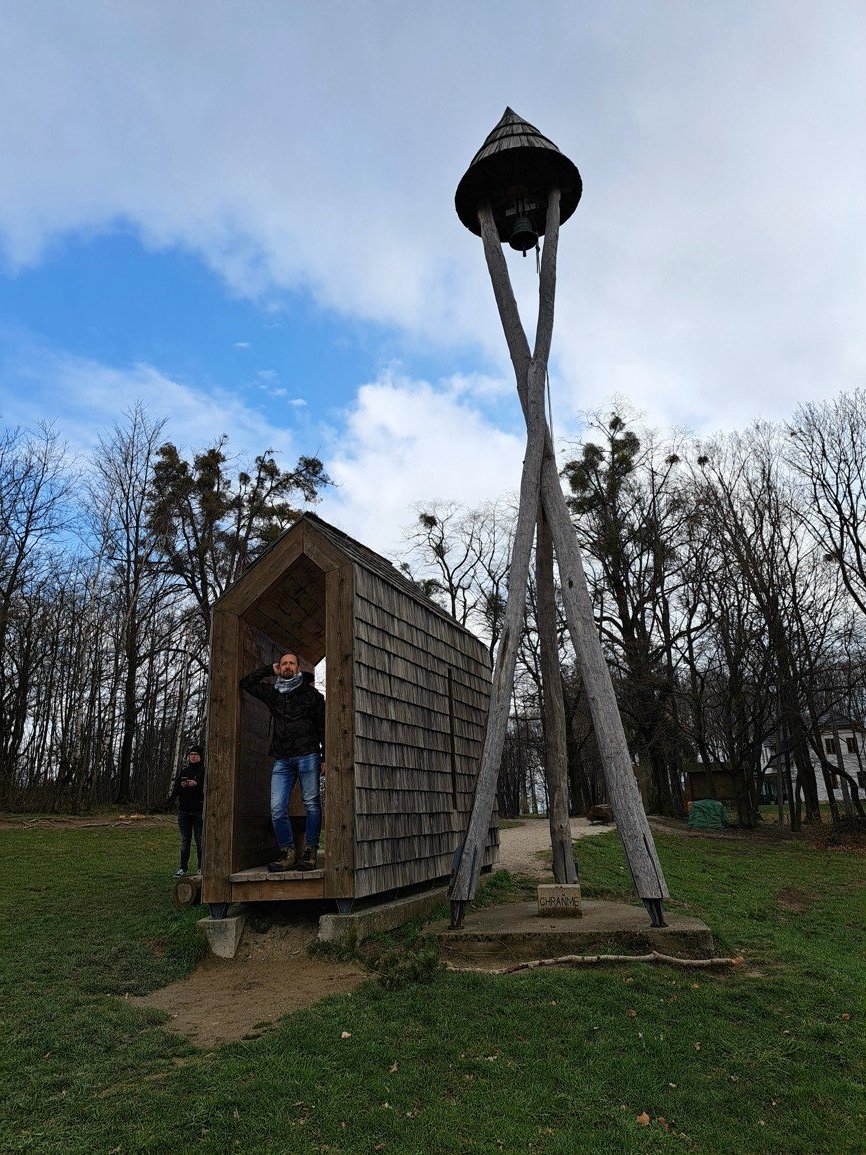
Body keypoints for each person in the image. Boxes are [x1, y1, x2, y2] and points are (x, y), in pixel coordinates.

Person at [239, 652, 325, 872]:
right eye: (284, 663)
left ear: (298, 668)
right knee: (277, 808)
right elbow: (246, 683)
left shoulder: (311, 695)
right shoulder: (273, 693)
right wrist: (269, 669)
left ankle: (310, 852)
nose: (287, 666)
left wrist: (324, 757)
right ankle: (287, 853)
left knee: (311, 804)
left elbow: (323, 726)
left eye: (291, 663)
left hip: (308, 755)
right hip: (282, 759)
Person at [171, 744, 206, 876]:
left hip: (198, 810)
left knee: (200, 840)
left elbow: (208, 791)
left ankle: (201, 867)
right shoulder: (184, 772)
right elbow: (175, 791)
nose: (193, 757)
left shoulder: (204, 772)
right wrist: (182, 785)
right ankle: (182, 868)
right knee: (185, 840)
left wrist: (197, 785)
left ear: (200, 757)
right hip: (184, 811)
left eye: (195, 754)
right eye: (191, 754)